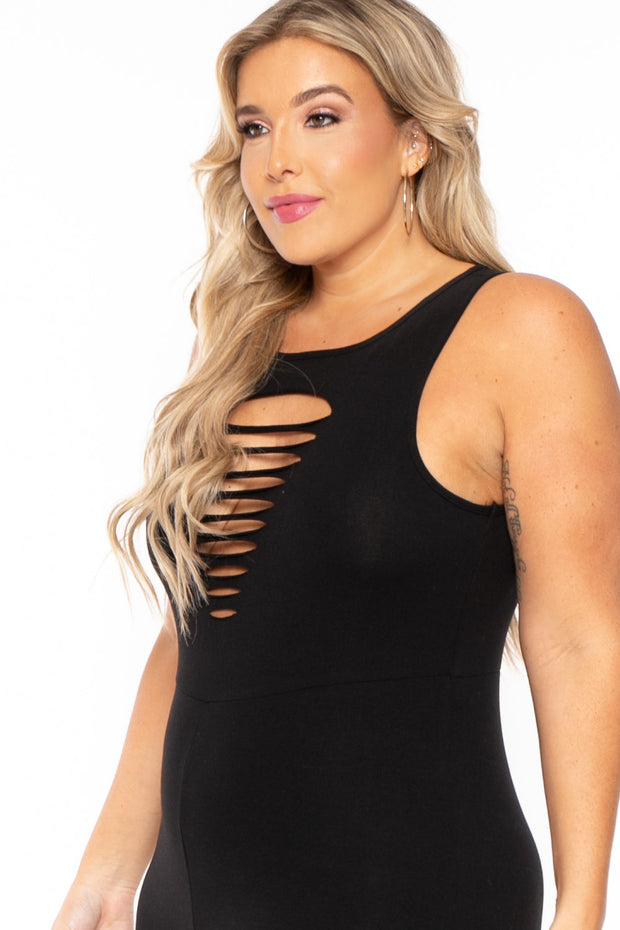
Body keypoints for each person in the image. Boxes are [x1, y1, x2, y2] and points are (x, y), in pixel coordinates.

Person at [52, 0, 620, 927]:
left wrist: (582, 907)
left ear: (413, 141)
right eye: (254, 128)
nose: (277, 160)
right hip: (198, 895)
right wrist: (106, 873)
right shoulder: (239, 348)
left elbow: (579, 636)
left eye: (320, 117)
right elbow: (201, 626)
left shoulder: (522, 328)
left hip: (414, 888)